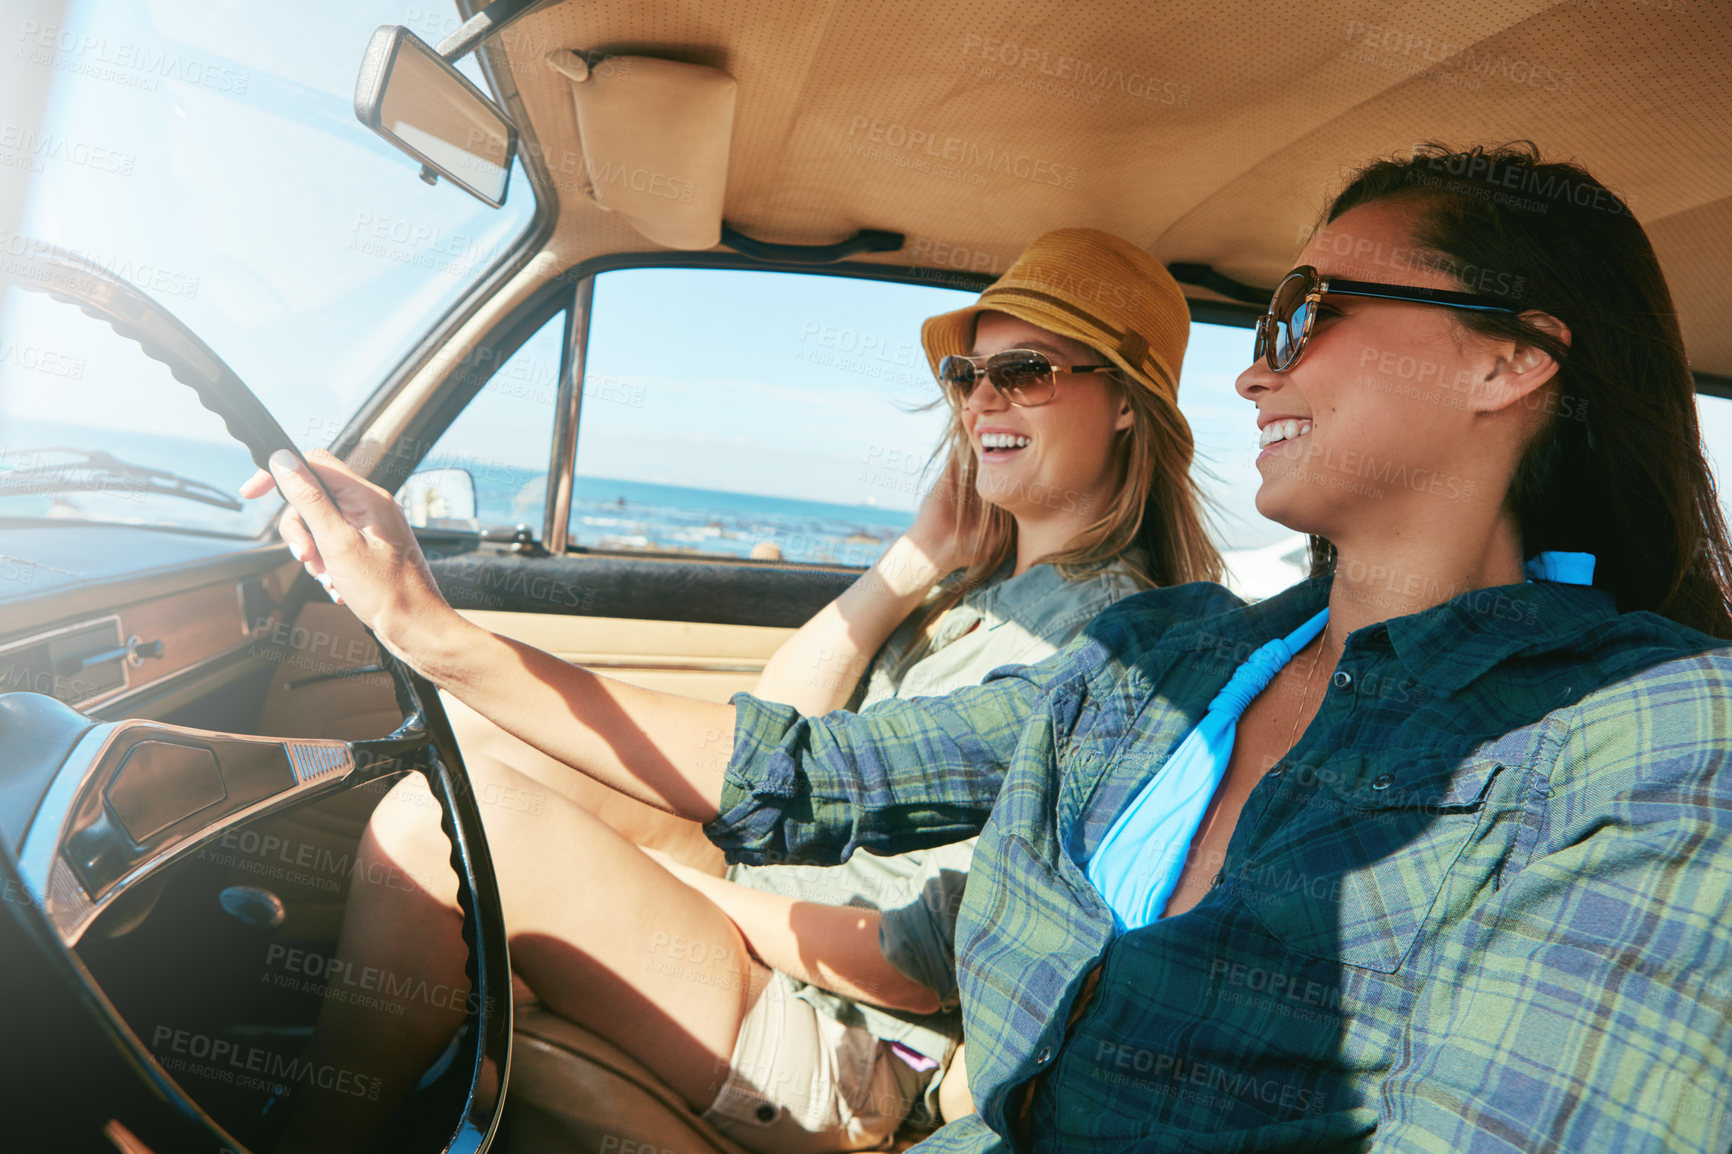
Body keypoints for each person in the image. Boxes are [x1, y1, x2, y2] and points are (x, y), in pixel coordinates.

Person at [254, 141, 1732, 1151]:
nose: (1257, 361)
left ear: (1508, 356)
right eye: (970, 374)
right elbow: (803, 771)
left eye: (1310, 309)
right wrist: (420, 623)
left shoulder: (1650, 733)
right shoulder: (1167, 653)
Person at [259, 228, 1222, 1153]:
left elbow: (918, 965)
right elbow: (783, 726)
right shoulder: (985, 593)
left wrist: (671, 888)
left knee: (448, 830)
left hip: (859, 1035)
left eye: (1026, 373)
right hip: (786, 904)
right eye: (968, 376)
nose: (981, 403)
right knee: (480, 747)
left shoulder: (1115, 649)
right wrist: (918, 556)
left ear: (1128, 402)